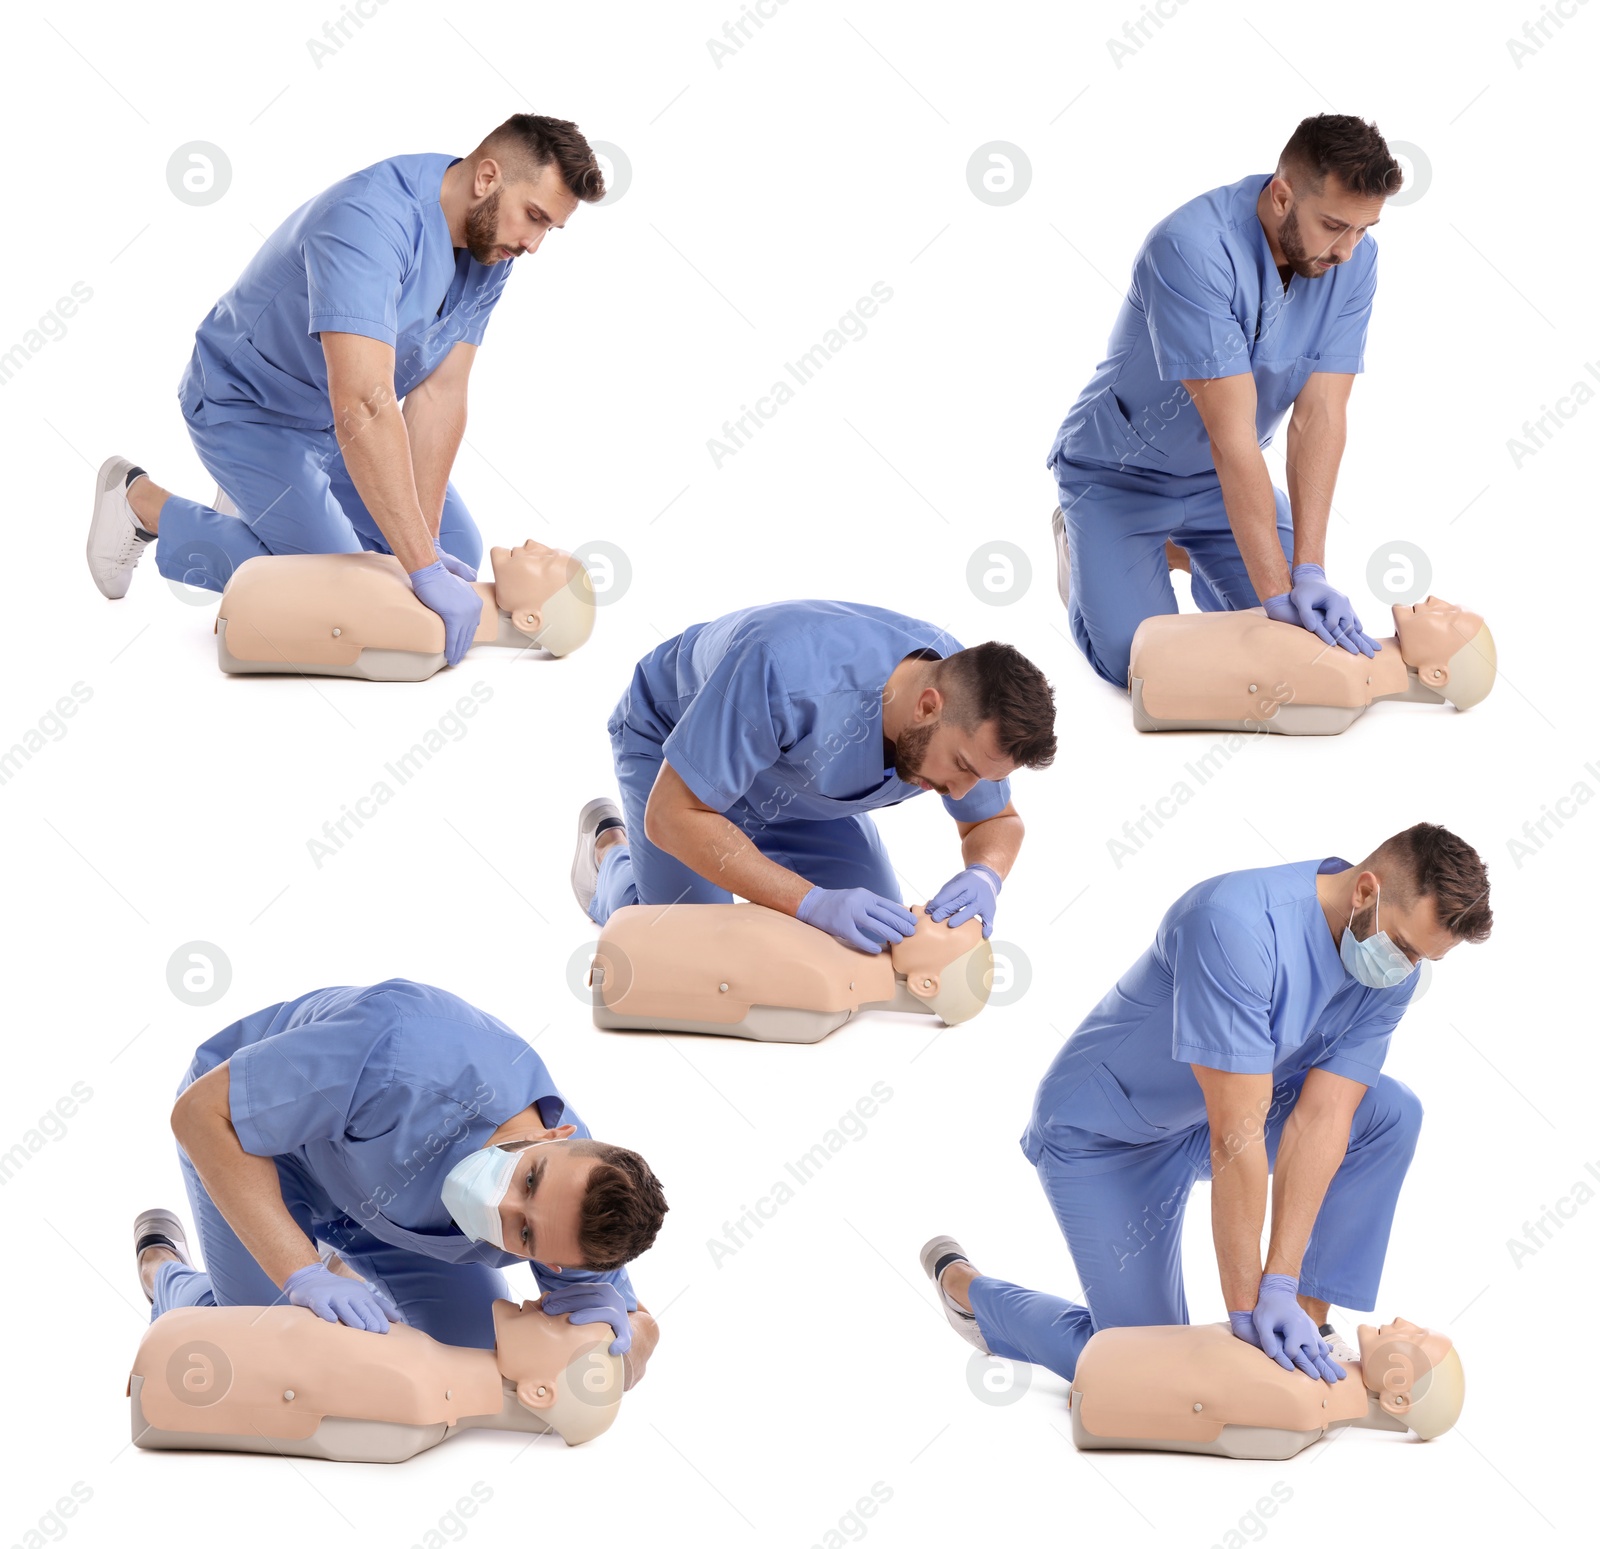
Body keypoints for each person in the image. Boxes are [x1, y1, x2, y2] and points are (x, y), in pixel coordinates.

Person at [922, 823, 1492, 1387]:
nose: (1406, 970)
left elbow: (1326, 1117)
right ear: (1366, 891)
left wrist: (1283, 1285)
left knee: (1388, 1114)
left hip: (1204, 1122)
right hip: (1106, 1137)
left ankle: (1308, 1334)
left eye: (1424, 959)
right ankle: (970, 1292)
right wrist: (1247, 1312)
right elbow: (1237, 1134)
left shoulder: (1385, 974)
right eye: (1405, 947)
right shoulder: (1233, 923)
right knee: (1147, 1377)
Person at [87, 114, 604, 667]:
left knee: (455, 551)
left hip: (341, 426)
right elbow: (360, 398)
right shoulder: (368, 220)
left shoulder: (489, 248)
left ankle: (268, 513)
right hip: (249, 408)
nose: (533, 245)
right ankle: (142, 504)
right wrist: (418, 571)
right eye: (534, 217)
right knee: (342, 580)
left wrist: (427, 554)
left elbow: (440, 395)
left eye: (550, 228)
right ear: (486, 178)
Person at [133, 978, 666, 1386]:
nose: (498, 1201)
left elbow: (639, 1327)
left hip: (383, 1213)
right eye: (527, 1180)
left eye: (523, 1234)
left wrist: (623, 1348)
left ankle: (341, 1261)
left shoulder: (581, 1221)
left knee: (476, 1354)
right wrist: (300, 1274)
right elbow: (201, 1114)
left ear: (552, 1262)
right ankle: (165, 1272)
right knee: (265, 1346)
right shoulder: (402, 1052)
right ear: (558, 1133)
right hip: (256, 1139)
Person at [1046, 114, 1403, 688]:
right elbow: (1231, 434)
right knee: (1140, 667)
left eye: (1364, 229)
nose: (1348, 249)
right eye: (1335, 225)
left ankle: (1176, 554)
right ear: (1282, 196)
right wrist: (1275, 596)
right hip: (1118, 477)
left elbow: (1321, 417)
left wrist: (1308, 570)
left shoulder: (1355, 259)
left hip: (1219, 484)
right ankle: (1082, 546)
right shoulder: (1189, 249)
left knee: (1295, 642)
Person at [569, 599, 1057, 955]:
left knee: (871, 941)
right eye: (963, 768)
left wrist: (986, 874)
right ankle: (611, 854)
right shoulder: (782, 669)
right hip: (674, 754)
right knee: (685, 950)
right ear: (927, 707)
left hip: (793, 787)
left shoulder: (970, 704)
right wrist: (809, 902)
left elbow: (997, 822)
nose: (963, 792)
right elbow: (675, 815)